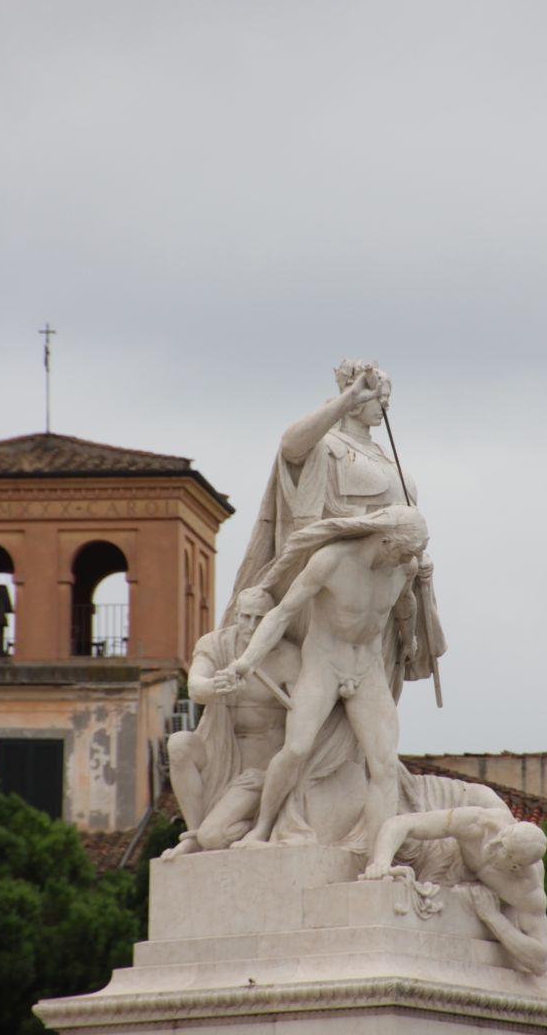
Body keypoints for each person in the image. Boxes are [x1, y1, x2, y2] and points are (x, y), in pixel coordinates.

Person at [213, 505, 429, 853]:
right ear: (385, 540)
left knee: (385, 765)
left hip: (367, 667)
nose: (408, 559)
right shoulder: (331, 560)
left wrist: (410, 637)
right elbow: (282, 613)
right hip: (324, 664)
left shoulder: (405, 566)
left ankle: (377, 857)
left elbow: (405, 603)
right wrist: (246, 661)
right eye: (404, 551)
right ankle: (263, 826)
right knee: (296, 749)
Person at [222, 360, 445, 690]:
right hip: (336, 587)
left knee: (376, 693)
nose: (384, 406)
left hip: (387, 587)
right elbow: (290, 446)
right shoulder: (327, 445)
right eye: (377, 397)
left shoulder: (385, 455)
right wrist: (349, 397)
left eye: (387, 399)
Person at [161, 587, 300, 859]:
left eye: (260, 618)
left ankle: (256, 827)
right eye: (246, 617)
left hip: (259, 768)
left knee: (213, 837)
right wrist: (215, 686)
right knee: (179, 744)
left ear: (271, 619)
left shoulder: (287, 657)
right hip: (218, 750)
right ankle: (193, 835)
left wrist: (277, 771)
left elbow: (305, 716)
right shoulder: (215, 645)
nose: (251, 625)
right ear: (236, 615)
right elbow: (195, 687)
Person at [360, 804, 547, 976]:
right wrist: (381, 863)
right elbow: (401, 823)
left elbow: (541, 961)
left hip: (470, 889)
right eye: (500, 841)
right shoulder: (479, 823)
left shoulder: (526, 889)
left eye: (505, 853)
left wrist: (493, 917)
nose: (494, 848)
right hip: (449, 858)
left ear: (516, 866)